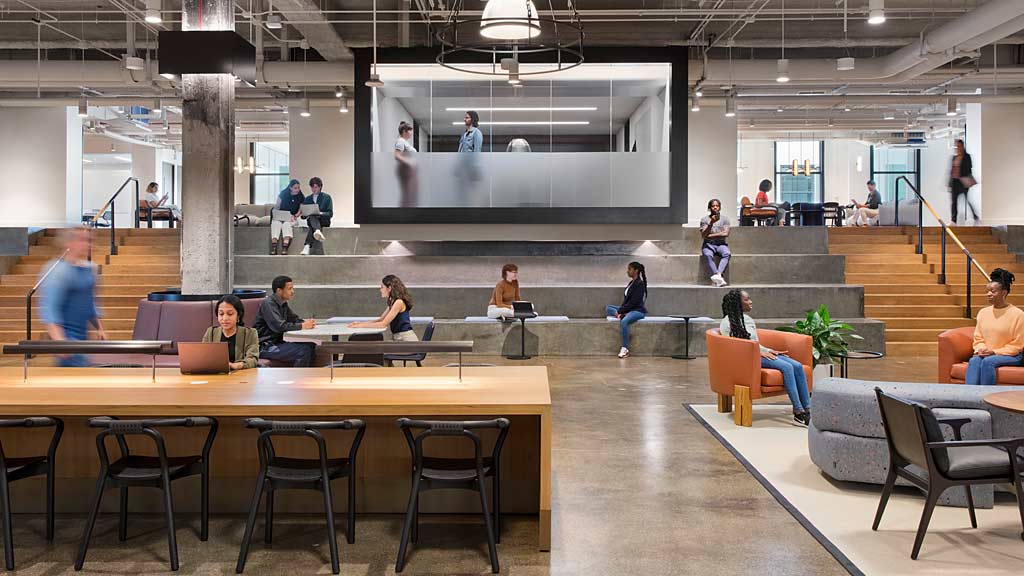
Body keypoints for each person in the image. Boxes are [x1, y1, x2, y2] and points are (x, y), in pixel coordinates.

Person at [720, 289, 811, 426]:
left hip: (758, 353)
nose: (750, 302)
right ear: (737, 303)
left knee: (797, 366)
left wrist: (769, 350)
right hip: (747, 359)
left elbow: (755, 342)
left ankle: (808, 409)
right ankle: (798, 412)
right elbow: (736, 347)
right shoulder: (727, 323)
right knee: (786, 368)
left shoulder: (748, 319)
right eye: (746, 299)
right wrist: (758, 352)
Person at [40, 227, 106, 367]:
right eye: (82, 240)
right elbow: (50, 309)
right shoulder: (56, 270)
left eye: (89, 240)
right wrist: (59, 341)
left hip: (83, 338)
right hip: (67, 338)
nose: (88, 244)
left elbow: (90, 303)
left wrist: (99, 328)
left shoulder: (91, 268)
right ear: (69, 243)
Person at [965, 268, 1024, 385]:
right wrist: (980, 349)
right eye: (987, 291)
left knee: (988, 362)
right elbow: (978, 338)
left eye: (993, 291)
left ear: (1004, 293)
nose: (989, 294)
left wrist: (994, 352)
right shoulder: (983, 313)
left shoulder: (1018, 314)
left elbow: (1018, 345)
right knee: (974, 361)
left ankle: (985, 400)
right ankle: (968, 399)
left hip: (1012, 355)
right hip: (987, 353)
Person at [254, 275, 317, 367]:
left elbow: (294, 319)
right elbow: (279, 327)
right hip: (265, 346)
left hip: (277, 343)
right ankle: (298, 379)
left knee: (312, 346)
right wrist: (303, 326)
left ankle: (306, 376)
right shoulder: (268, 304)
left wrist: (306, 322)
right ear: (279, 290)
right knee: (304, 350)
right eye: (289, 289)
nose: (293, 292)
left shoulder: (283, 304)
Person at [348, 275, 419, 341]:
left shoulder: (399, 302)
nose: (380, 290)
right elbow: (381, 320)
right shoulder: (393, 301)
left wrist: (360, 325)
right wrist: (360, 323)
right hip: (398, 339)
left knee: (378, 350)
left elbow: (383, 324)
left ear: (389, 288)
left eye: (382, 287)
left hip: (406, 340)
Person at [202, 294, 260, 371]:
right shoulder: (211, 332)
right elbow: (203, 357)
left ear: (238, 315)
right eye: (221, 314)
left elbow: (253, 359)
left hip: (240, 376)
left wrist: (235, 365)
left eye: (230, 314)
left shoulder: (250, 333)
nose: (225, 318)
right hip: (216, 376)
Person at [605, 262, 647, 359]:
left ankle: (625, 349)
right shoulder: (631, 283)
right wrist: (621, 311)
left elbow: (634, 302)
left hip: (637, 311)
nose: (627, 271)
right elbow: (626, 301)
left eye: (629, 269)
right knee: (608, 307)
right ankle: (620, 315)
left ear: (636, 270)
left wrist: (621, 311)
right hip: (628, 309)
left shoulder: (640, 284)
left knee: (624, 321)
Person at [700, 199, 731, 287]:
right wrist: (711, 223)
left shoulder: (725, 219)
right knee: (708, 255)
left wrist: (710, 235)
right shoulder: (704, 219)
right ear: (709, 208)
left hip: (721, 244)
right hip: (708, 244)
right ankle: (718, 277)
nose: (715, 207)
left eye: (717, 206)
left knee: (727, 253)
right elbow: (704, 235)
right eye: (713, 206)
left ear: (719, 207)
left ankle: (718, 275)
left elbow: (725, 233)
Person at [299, 176, 333, 256]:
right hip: (312, 220)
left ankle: (306, 246)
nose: (314, 189)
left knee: (313, 222)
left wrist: (320, 213)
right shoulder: (308, 199)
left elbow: (330, 214)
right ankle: (317, 231)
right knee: (312, 216)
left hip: (323, 221)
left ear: (320, 187)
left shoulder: (327, 197)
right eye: (312, 187)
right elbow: (303, 216)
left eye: (315, 187)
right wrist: (304, 213)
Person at [456, 110, 484, 206]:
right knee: (463, 194)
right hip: (463, 169)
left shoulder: (476, 133)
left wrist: (474, 170)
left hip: (471, 168)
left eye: (467, 117)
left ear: (472, 119)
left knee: (473, 194)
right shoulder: (464, 134)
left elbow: (477, 152)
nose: (464, 119)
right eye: (465, 117)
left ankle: (475, 214)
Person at [949, 138, 979, 226]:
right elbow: (951, 171)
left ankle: (974, 216)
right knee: (954, 201)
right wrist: (949, 182)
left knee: (967, 200)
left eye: (959, 146)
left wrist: (965, 178)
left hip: (963, 182)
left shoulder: (967, 157)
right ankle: (953, 221)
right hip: (955, 182)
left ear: (962, 146)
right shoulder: (954, 157)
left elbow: (969, 168)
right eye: (956, 146)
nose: (957, 148)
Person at [271, 179, 304, 255]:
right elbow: (277, 206)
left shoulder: (301, 196)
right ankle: (274, 247)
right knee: (275, 223)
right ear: (290, 188)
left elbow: (300, 209)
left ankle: (285, 247)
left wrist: (295, 216)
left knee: (286, 224)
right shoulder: (283, 193)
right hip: (281, 215)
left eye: (298, 187)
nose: (298, 189)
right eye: (295, 188)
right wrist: (276, 214)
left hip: (292, 217)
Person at [394, 121, 418, 207]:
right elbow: (397, 155)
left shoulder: (405, 142)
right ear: (404, 131)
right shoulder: (400, 141)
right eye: (410, 130)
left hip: (409, 171)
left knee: (409, 194)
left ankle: (407, 213)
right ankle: (403, 214)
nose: (411, 133)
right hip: (405, 171)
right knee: (407, 194)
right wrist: (410, 163)